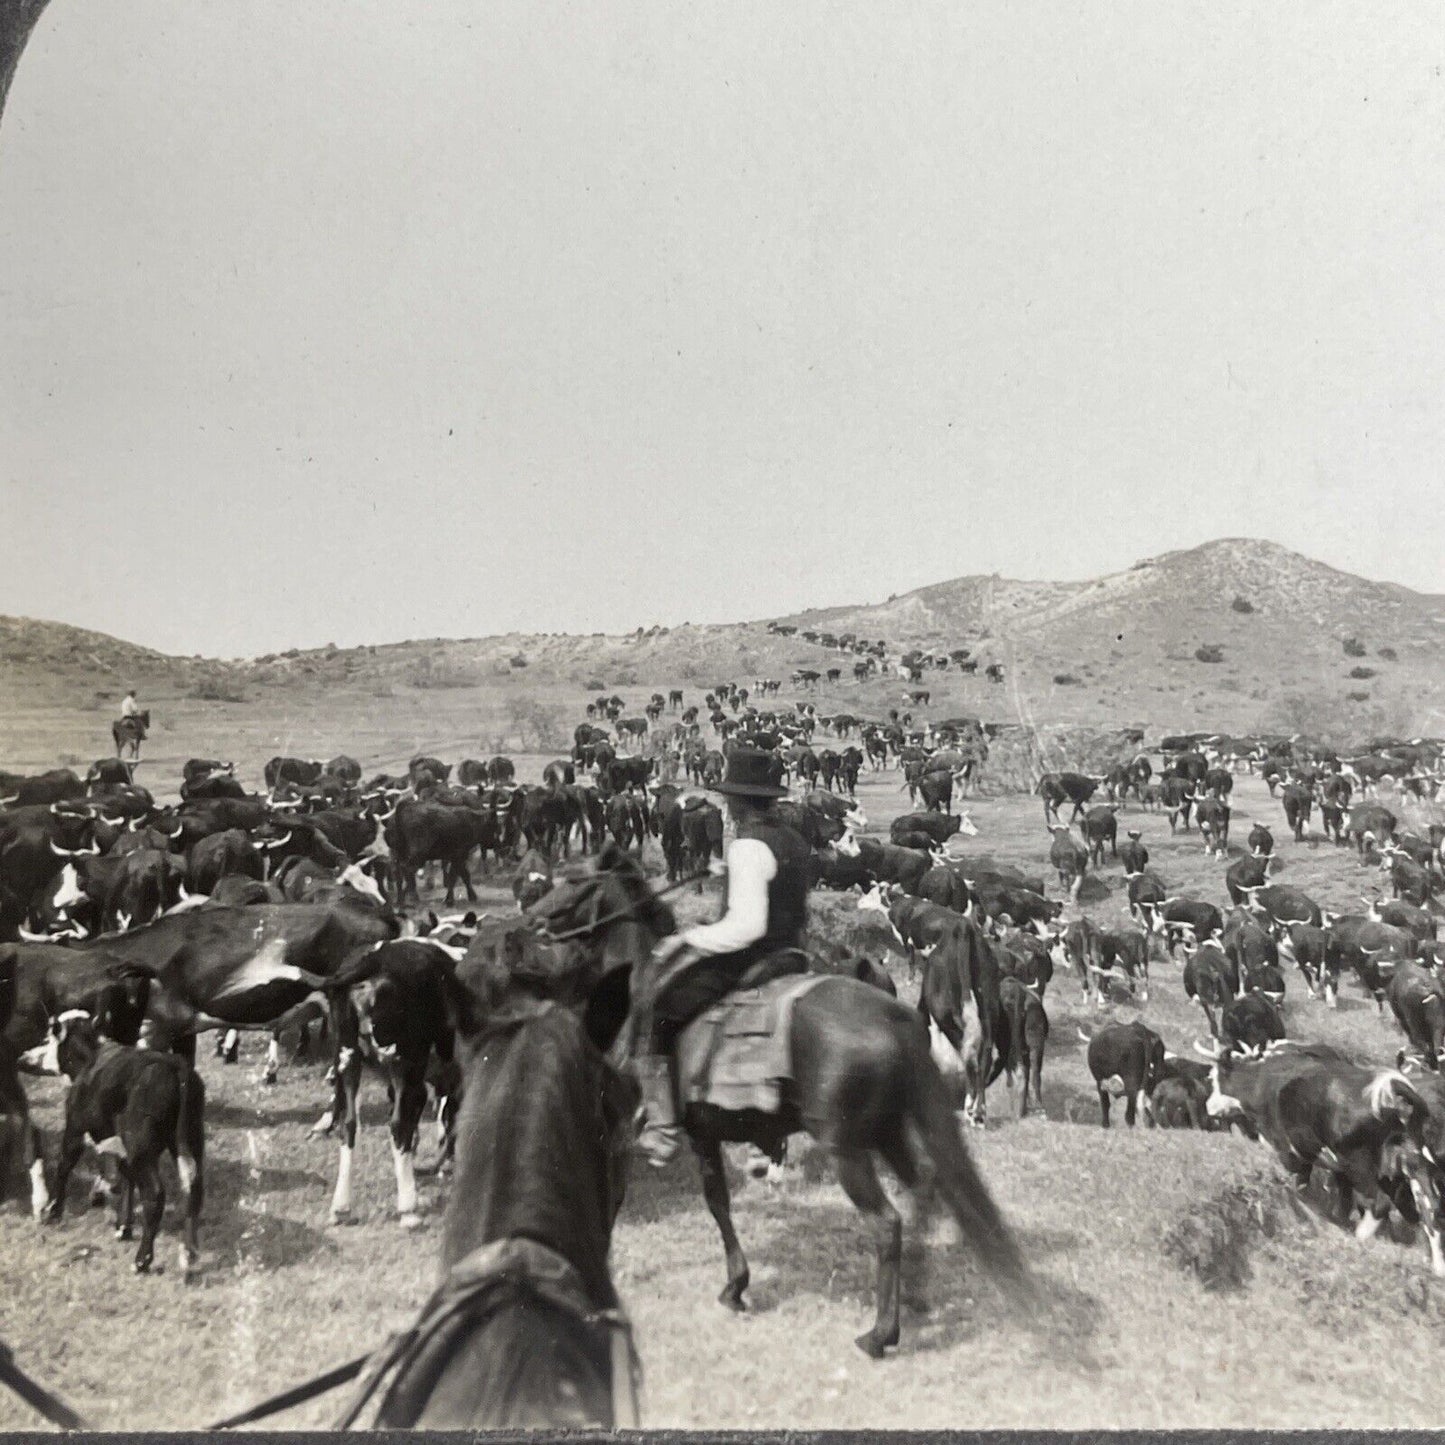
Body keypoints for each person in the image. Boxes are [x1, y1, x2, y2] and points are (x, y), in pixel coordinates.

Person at [634, 747, 813, 1167]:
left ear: (737, 801)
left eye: (729, 800)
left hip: (751, 956)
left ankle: (661, 1128)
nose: (727, 808)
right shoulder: (793, 839)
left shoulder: (749, 846)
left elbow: (746, 927)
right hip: (794, 952)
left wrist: (687, 940)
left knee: (661, 1011)